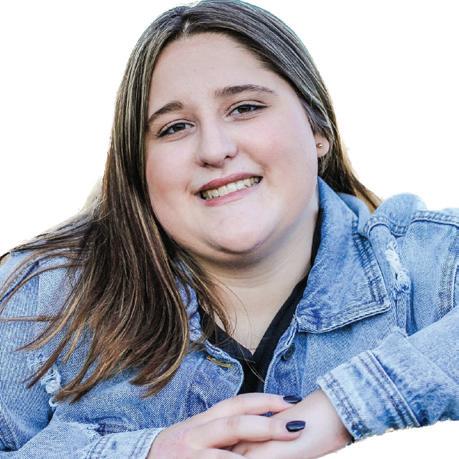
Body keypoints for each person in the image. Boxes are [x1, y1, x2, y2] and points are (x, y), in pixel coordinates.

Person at [0, 0, 458, 457]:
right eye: (175, 127)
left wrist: (343, 408)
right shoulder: (43, 297)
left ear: (317, 129)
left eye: (245, 108)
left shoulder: (425, 264)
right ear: (139, 165)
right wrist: (146, 453)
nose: (214, 149)